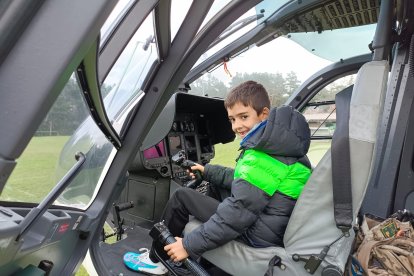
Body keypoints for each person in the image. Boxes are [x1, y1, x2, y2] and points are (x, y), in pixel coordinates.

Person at [124, 81, 312, 275]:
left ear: (263, 114)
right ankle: (204, 258)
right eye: (232, 119)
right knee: (215, 186)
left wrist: (188, 245)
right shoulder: (283, 147)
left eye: (243, 117)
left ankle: (156, 259)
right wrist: (207, 171)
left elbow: (238, 212)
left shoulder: (264, 156)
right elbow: (244, 181)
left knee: (182, 196)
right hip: (271, 227)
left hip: (256, 233)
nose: (237, 126)